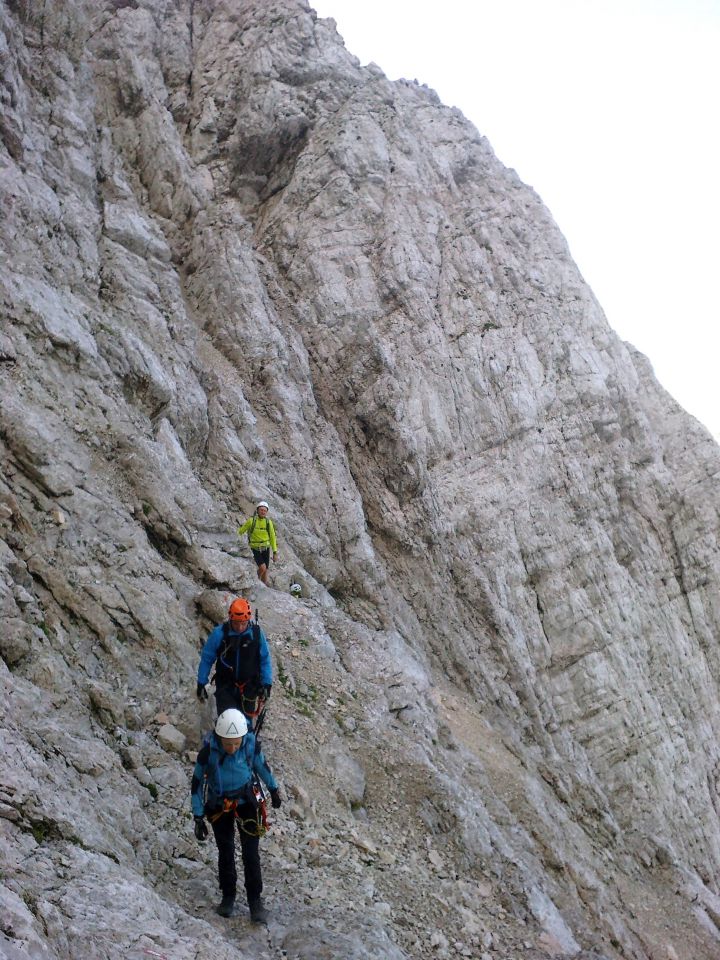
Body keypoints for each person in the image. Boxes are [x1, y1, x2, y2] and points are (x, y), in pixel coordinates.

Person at [191, 709, 281, 923]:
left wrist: (274, 789)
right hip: (219, 805)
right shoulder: (208, 753)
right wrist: (198, 816)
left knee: (251, 853)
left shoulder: (250, 746)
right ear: (219, 738)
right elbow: (196, 785)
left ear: (243, 738)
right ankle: (228, 896)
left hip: (247, 803)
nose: (232, 748)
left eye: (236, 743)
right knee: (226, 850)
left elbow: (263, 767)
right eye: (227, 743)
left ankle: (255, 901)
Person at [196, 598, 272, 718]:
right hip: (226, 686)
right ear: (230, 618)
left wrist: (267, 683)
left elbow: (265, 660)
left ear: (248, 620)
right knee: (227, 721)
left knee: (245, 723)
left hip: (249, 687)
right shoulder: (219, 634)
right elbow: (207, 659)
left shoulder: (256, 635)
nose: (240, 627)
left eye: (243, 623)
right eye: (236, 623)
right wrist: (201, 681)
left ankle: (246, 737)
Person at [237, 501, 278, 585]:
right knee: (262, 568)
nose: (263, 512)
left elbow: (272, 537)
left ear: (266, 512)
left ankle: (264, 586)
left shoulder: (268, 522)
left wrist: (275, 552)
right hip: (255, 548)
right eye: (261, 510)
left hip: (266, 548)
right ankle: (256, 579)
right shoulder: (251, 521)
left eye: (265, 510)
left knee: (266, 569)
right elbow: (241, 531)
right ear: (257, 510)